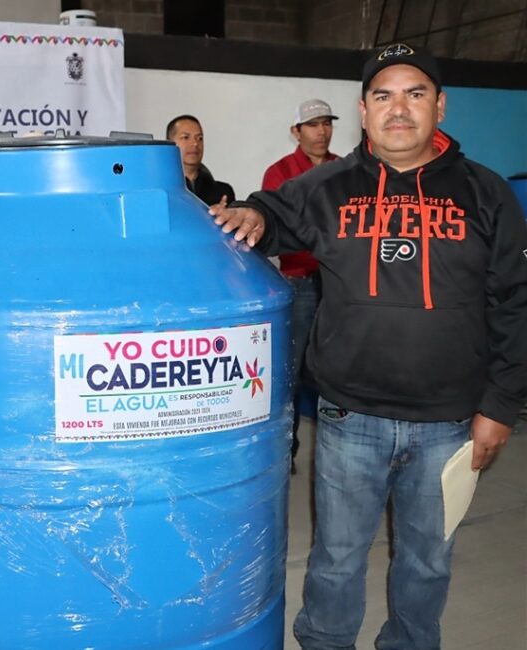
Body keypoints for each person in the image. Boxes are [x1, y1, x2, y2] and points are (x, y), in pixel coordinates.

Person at [210, 43, 527, 649]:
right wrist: (253, 214)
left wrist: (501, 405)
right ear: (364, 110)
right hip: (350, 418)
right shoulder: (328, 186)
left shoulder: (487, 192)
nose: (398, 108)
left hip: (449, 423)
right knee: (336, 560)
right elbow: (271, 211)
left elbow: (516, 301)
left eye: (415, 93)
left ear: (440, 105)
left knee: (427, 563)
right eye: (383, 95)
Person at [261, 99, 340, 471]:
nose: (321, 131)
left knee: (337, 370)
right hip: (301, 284)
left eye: (326, 123)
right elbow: (283, 229)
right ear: (297, 131)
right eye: (313, 125)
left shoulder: (344, 169)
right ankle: (285, 451)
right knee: (291, 371)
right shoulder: (280, 173)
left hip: (339, 284)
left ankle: (338, 451)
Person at [165, 114, 235, 205]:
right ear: (169, 143)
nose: (195, 143)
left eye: (200, 138)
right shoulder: (161, 191)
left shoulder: (223, 192)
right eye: (186, 137)